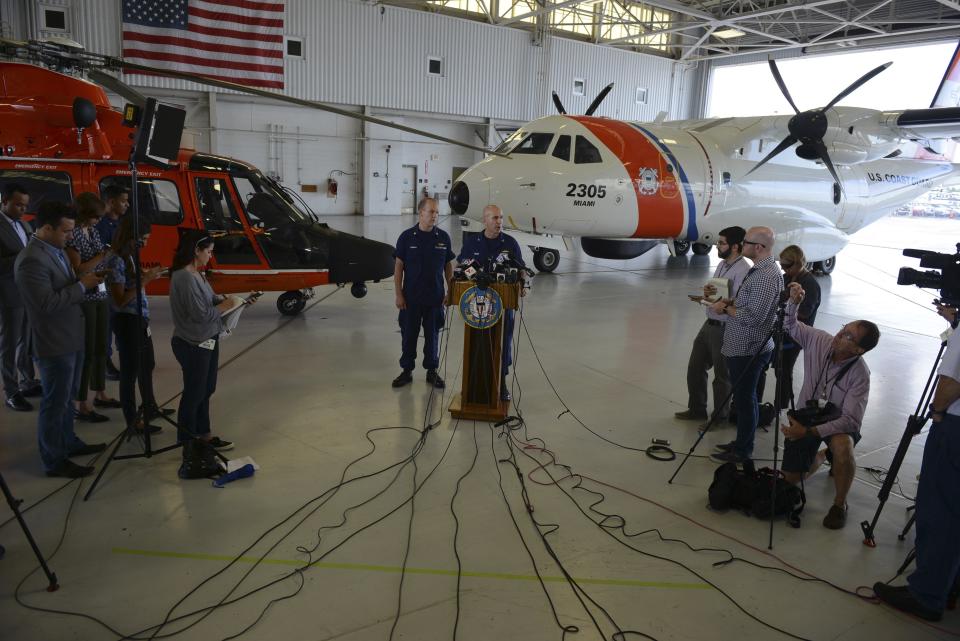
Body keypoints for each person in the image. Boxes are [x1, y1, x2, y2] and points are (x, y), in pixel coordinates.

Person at [874, 303, 959, 621]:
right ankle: (947, 583)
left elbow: (951, 383)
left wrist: (936, 413)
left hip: (954, 429)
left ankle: (927, 594)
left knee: (940, 512)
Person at [14, 201, 106, 478]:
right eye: (66, 231)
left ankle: (67, 442)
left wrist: (85, 280)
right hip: (53, 342)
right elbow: (45, 304)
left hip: (70, 335)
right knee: (55, 402)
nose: (70, 237)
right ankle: (54, 459)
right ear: (46, 228)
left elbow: (65, 284)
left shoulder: (55, 250)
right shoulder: (32, 259)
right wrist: (82, 286)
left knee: (66, 398)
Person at [777, 281, 878, 529]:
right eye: (844, 328)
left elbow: (851, 421)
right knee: (791, 480)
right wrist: (794, 303)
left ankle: (839, 504)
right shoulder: (820, 340)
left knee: (843, 447)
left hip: (837, 422)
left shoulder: (860, 375)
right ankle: (822, 456)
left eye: (848, 336)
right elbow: (790, 326)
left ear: (858, 350)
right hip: (807, 415)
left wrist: (810, 433)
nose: (839, 335)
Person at [710, 226, 783, 463]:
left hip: (748, 348)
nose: (743, 245)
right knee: (743, 400)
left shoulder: (764, 276)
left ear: (759, 247)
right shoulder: (760, 271)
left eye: (746, 241)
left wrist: (726, 308)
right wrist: (733, 301)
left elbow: (753, 317)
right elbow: (749, 304)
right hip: (741, 345)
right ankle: (741, 442)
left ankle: (743, 450)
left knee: (745, 400)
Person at [169, 230, 240, 452]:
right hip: (192, 342)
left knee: (206, 388)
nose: (210, 255)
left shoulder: (197, 273)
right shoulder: (184, 277)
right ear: (196, 251)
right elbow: (199, 314)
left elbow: (210, 299)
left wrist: (234, 302)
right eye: (208, 251)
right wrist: (225, 306)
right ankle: (188, 440)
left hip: (207, 337)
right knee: (194, 392)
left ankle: (204, 435)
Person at [675, 226, 750, 422]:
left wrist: (722, 304)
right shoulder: (723, 264)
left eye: (722, 242)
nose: (717, 245)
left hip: (726, 327)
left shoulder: (743, 270)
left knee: (722, 376)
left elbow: (741, 301)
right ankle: (697, 409)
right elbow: (720, 291)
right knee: (695, 367)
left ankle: (720, 417)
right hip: (709, 323)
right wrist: (708, 293)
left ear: (735, 247)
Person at [104, 216, 168, 434]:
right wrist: (146, 279)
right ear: (131, 237)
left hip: (140, 317)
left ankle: (148, 405)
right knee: (129, 372)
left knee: (147, 363)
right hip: (126, 320)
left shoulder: (129, 257)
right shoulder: (116, 260)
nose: (146, 243)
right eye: (144, 239)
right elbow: (120, 299)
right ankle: (132, 420)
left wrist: (147, 275)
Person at [456, 204, 527, 400]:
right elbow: (462, 265)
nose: (499, 222)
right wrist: (476, 276)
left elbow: (521, 269)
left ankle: (501, 382)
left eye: (501, 218)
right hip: (477, 306)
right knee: (477, 344)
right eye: (495, 218)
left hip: (503, 306)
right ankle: (472, 384)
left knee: (504, 343)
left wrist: (522, 285)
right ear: (485, 220)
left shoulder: (510, 243)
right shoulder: (472, 242)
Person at [392, 197, 455, 389]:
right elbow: (398, 268)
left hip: (435, 298)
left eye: (436, 212)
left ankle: (432, 371)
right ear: (421, 213)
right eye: (431, 211)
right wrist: (398, 294)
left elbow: (448, 267)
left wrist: (450, 291)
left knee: (433, 336)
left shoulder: (443, 238)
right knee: (409, 335)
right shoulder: (406, 237)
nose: (434, 215)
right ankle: (407, 370)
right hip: (411, 298)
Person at [65, 192, 116, 423]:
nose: (98, 221)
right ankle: (80, 402)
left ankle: (100, 392)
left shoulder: (93, 231)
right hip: (85, 297)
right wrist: (101, 257)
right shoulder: (73, 234)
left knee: (100, 347)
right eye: (95, 217)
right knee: (86, 350)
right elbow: (78, 269)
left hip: (101, 292)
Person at [0, 183, 41, 411]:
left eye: (25, 205)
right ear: (4, 201)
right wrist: (22, 258)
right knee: (8, 343)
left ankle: (27, 380)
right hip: (8, 293)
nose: (22, 210)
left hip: (28, 292)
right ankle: (11, 391)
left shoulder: (25, 225)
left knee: (26, 339)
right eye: (17, 205)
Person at [774, 245, 821, 408]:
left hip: (795, 335)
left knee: (784, 370)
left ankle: (780, 405)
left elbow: (804, 313)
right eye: (781, 266)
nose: (783, 269)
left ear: (798, 264)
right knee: (777, 369)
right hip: (781, 331)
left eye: (786, 266)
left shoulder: (810, 284)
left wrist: (787, 303)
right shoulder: (787, 278)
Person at [96, 184, 129, 382]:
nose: (127, 205)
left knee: (121, 321)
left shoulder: (122, 224)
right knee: (106, 323)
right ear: (111, 202)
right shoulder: (100, 226)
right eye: (123, 201)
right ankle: (105, 362)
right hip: (105, 282)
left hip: (121, 278)